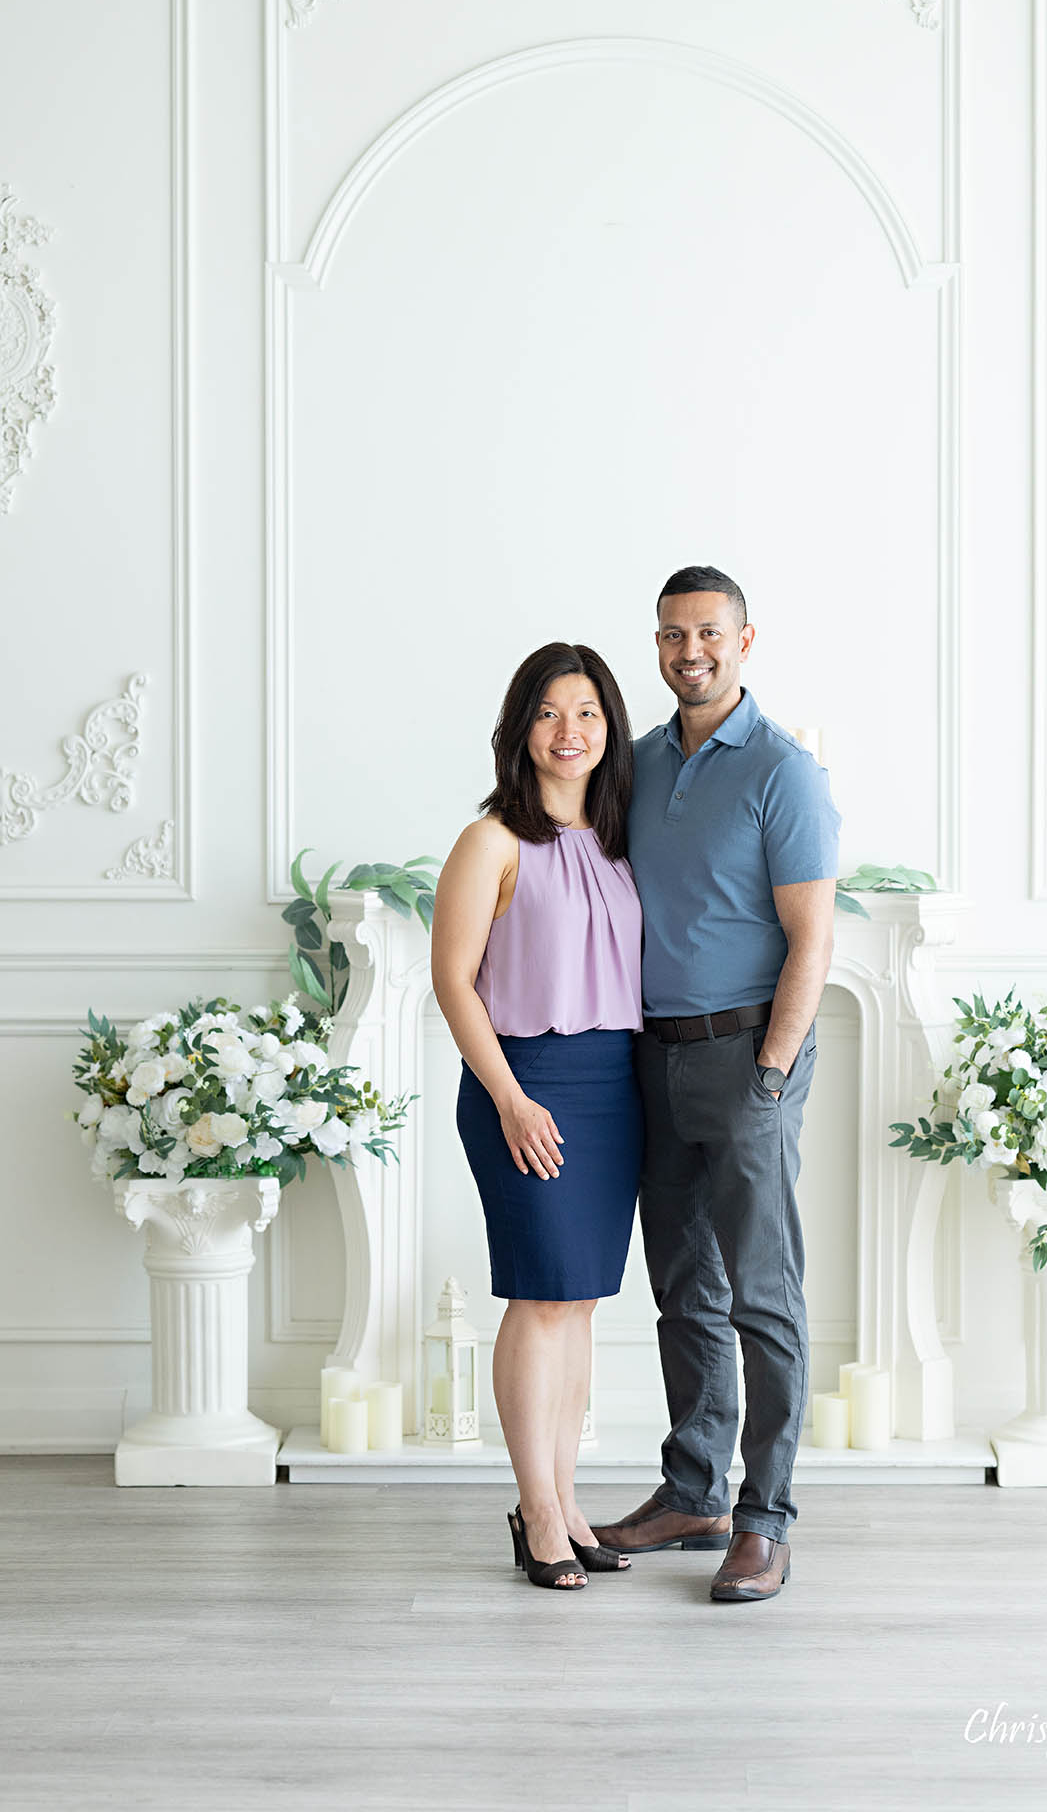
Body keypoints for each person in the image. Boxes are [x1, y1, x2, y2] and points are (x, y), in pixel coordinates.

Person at [593, 565, 840, 1603]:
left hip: (748, 1056)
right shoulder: (639, 762)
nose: (685, 651)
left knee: (761, 1296)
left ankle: (765, 1518)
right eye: (668, 635)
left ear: (744, 641)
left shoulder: (783, 771)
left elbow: (811, 937)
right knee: (682, 1289)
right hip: (652, 1056)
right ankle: (692, 1490)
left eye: (705, 633)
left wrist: (772, 1069)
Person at [431, 642, 644, 1591]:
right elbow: (453, 981)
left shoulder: (618, 837)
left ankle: (563, 1497)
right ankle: (537, 1512)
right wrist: (512, 1097)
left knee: (582, 1301)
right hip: (526, 1081)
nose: (571, 731)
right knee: (539, 1293)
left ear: (610, 728)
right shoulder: (490, 841)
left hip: (614, 1084)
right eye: (551, 712)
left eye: (589, 711)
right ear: (522, 729)